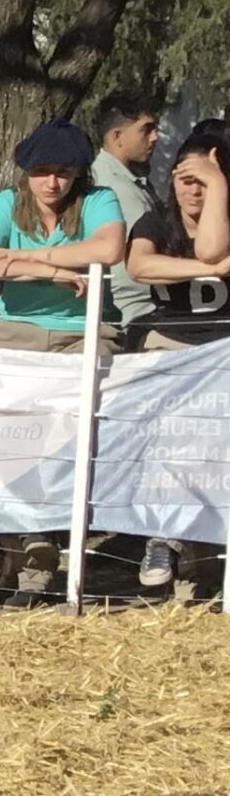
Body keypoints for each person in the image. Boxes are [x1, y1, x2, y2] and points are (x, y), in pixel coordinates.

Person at [0, 119, 125, 606]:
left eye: (64, 172)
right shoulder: (8, 204)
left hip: (86, 335)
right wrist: (49, 270)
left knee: (73, 439)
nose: (52, 183)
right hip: (18, 336)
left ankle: (64, 550)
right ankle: (34, 562)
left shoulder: (98, 202)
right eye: (42, 171)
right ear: (26, 172)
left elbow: (109, 248)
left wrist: (16, 258)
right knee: (17, 447)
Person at [123, 128, 229, 592]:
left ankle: (199, 563)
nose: (192, 188)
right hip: (170, 344)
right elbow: (140, 266)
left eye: (202, 179)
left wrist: (219, 186)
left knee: (210, 454)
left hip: (222, 350)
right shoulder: (156, 221)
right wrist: (210, 270)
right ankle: (161, 537)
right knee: (168, 446)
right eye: (184, 177)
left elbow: (210, 246)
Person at [91, 92, 161, 328]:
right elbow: (125, 266)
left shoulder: (133, 180)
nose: (155, 137)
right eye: (146, 130)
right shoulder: (108, 187)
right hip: (134, 314)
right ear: (117, 136)